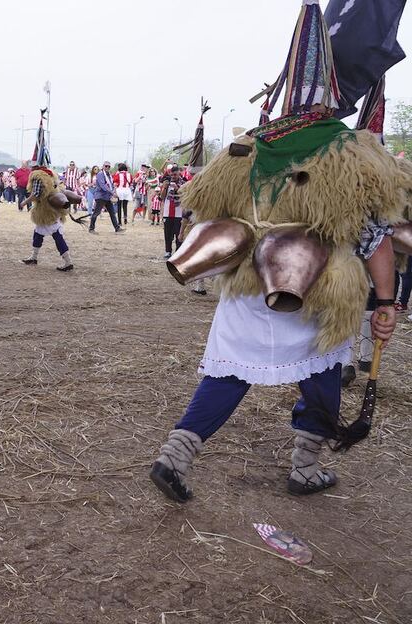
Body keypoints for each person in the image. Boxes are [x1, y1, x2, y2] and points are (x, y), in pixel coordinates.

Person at [150, 0, 405, 504]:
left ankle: (175, 454)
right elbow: (375, 238)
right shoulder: (351, 149)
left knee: (229, 371)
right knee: (323, 372)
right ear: (337, 93)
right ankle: (305, 468)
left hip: (248, 283)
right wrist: (385, 302)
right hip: (318, 291)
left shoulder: (247, 145)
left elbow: (203, 205)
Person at [20, 147, 74, 272]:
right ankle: (34, 257)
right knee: (38, 233)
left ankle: (68, 262)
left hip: (46, 211)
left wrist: (25, 202)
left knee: (57, 236)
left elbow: (37, 194)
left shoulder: (38, 176)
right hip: (50, 211)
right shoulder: (50, 174)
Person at [160, 165, 184, 258]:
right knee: (168, 234)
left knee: (178, 234)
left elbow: (185, 195)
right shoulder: (167, 183)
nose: (173, 176)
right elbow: (161, 197)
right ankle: (168, 251)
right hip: (167, 213)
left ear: (179, 174)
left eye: (175, 175)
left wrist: (177, 188)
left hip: (179, 213)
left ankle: (178, 252)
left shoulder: (184, 183)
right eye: (172, 175)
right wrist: (165, 187)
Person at [89, 161, 120, 233]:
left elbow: (111, 185)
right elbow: (103, 186)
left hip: (107, 197)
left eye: (109, 166)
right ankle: (91, 228)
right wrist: (112, 193)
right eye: (106, 166)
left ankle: (117, 228)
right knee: (96, 213)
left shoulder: (109, 175)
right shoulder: (100, 174)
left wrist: (114, 191)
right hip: (100, 197)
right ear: (103, 166)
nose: (107, 167)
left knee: (112, 213)